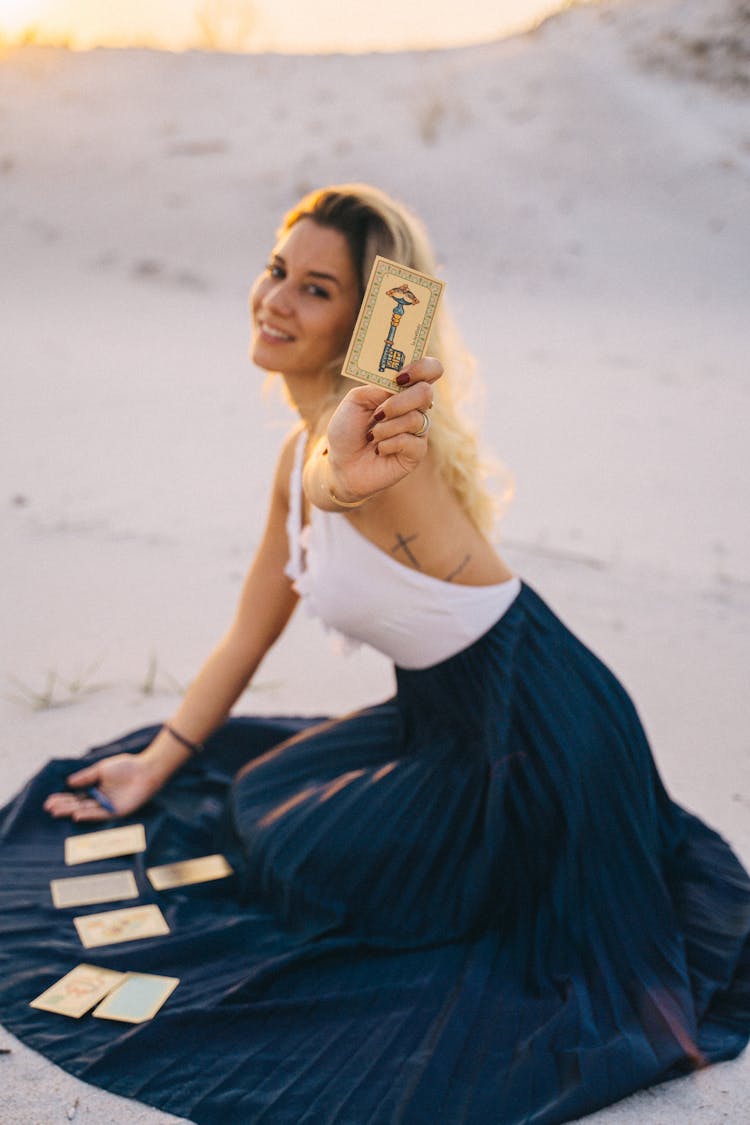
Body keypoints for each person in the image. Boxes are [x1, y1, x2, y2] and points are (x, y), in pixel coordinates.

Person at [1, 184, 748, 1125]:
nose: (276, 299)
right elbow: (250, 629)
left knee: (300, 849)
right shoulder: (299, 455)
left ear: (366, 323)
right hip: (438, 722)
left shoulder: (390, 451)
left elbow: (343, 476)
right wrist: (158, 762)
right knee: (259, 796)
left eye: (316, 289)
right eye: (277, 270)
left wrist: (338, 468)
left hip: (539, 734)